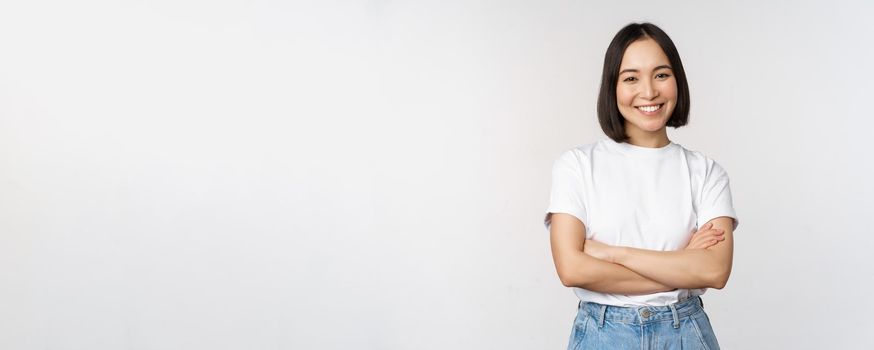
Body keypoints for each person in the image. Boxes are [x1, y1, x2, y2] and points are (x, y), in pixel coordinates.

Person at [544, 22, 738, 349]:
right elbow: (572, 268)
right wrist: (681, 264)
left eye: (661, 75)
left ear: (678, 81)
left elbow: (714, 271)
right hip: (603, 334)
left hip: (684, 333)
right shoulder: (577, 165)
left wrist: (610, 253)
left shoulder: (706, 172)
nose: (649, 92)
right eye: (631, 78)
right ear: (612, 87)